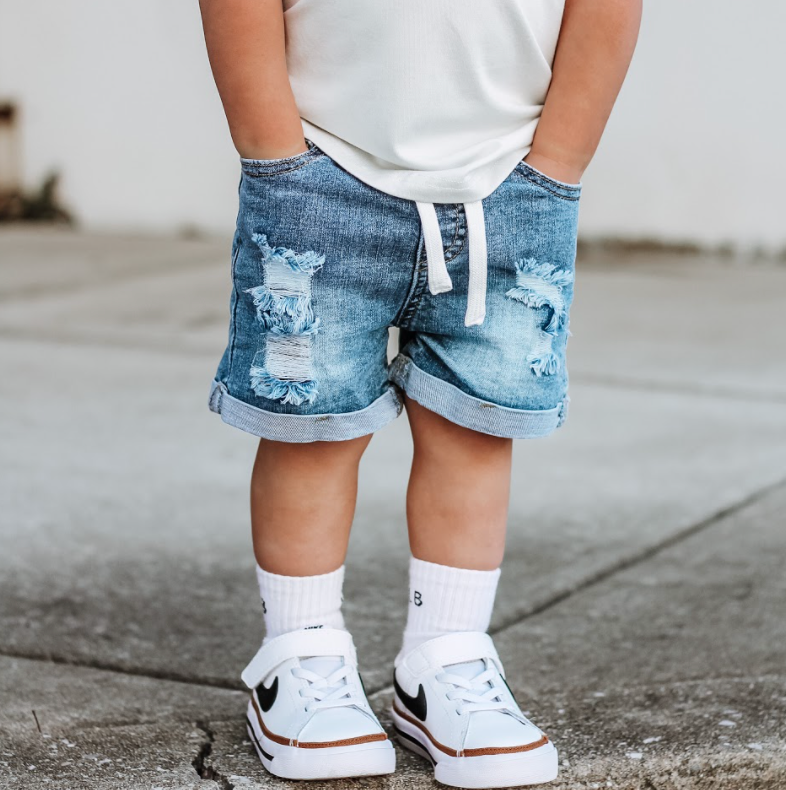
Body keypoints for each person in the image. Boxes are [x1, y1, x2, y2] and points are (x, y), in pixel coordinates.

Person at [198, 0, 641, 786]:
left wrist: (558, 165)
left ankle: (445, 659)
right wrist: (272, 149)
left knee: (474, 427)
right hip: (321, 173)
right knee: (316, 427)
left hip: (511, 183)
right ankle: (297, 654)